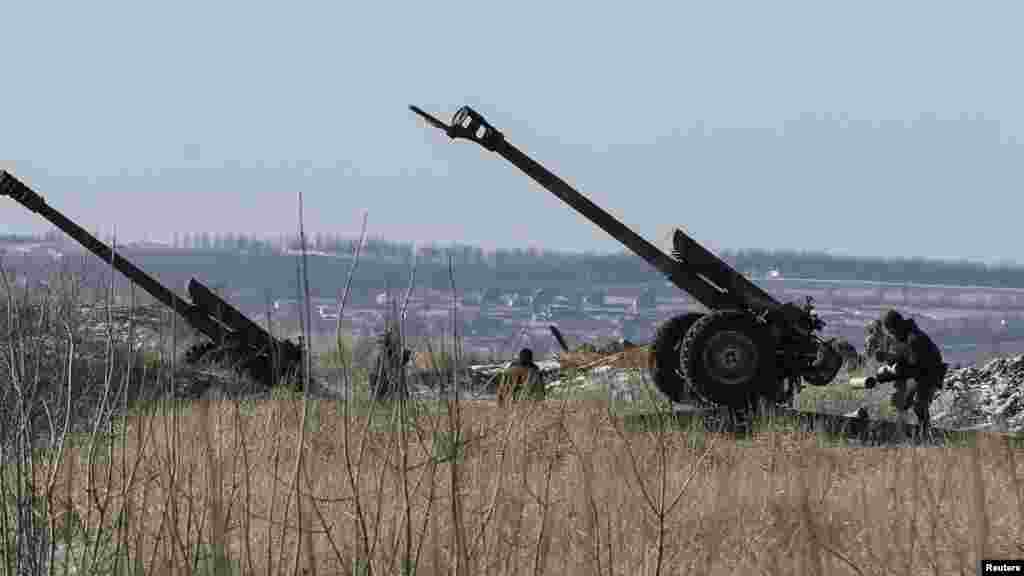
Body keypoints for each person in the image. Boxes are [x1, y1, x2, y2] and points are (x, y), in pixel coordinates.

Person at [864, 309, 948, 438]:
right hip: (918, 372)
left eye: (891, 331)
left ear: (895, 327)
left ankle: (925, 435)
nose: (891, 335)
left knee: (919, 405)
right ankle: (905, 432)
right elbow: (903, 357)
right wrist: (889, 359)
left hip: (930, 373)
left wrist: (891, 371)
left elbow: (913, 366)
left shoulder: (914, 339)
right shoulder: (903, 336)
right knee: (902, 403)